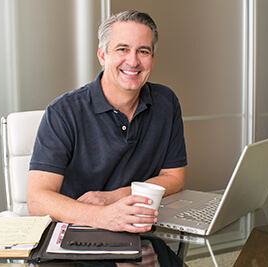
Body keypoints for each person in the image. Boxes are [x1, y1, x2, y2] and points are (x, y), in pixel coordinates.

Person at [27, 10, 187, 233]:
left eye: (143, 51)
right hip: (78, 230)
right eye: (122, 49)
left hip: (141, 228)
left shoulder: (166, 102)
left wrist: (113, 197)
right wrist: (103, 216)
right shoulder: (63, 111)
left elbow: (174, 178)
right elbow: (37, 199)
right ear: (102, 55)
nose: (133, 61)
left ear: (152, 59)